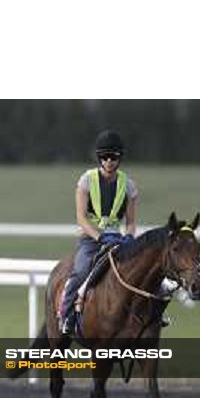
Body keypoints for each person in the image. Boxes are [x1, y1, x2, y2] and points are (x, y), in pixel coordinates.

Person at [59, 130, 139, 335]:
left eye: (114, 156)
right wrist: (100, 236)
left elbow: (131, 222)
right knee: (80, 272)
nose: (109, 161)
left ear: (120, 158)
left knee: (141, 272)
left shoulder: (128, 186)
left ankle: (150, 315)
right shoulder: (86, 181)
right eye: (105, 157)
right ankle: (66, 316)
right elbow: (81, 218)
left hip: (118, 240)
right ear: (99, 158)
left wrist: (129, 237)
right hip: (91, 239)